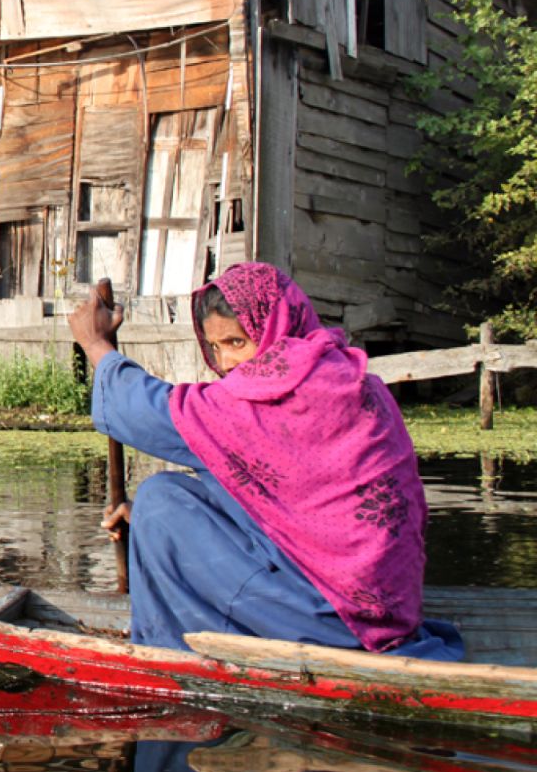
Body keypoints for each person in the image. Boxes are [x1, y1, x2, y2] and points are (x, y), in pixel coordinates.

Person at [67, 261, 462, 659]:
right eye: (216, 347)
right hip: (385, 611)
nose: (225, 363)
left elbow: (142, 411)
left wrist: (96, 345)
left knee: (158, 499)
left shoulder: (275, 394)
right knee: (167, 498)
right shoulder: (348, 379)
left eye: (237, 342)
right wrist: (147, 521)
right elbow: (289, 499)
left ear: (274, 329)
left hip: (332, 617)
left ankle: (174, 654)